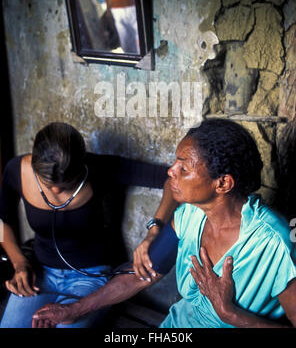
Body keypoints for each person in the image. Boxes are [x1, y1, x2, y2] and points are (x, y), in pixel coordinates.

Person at [32, 119, 296, 328]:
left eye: (184, 169)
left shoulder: (275, 243)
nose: (170, 171)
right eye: (174, 163)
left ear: (223, 183)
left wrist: (230, 314)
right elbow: (140, 276)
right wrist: (73, 309)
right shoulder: (190, 216)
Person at [0, 122, 176, 328]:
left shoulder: (98, 168)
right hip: (38, 275)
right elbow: (3, 221)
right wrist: (19, 263)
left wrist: (154, 229)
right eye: (48, 184)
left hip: (89, 278)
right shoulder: (16, 170)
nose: (56, 191)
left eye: (66, 185)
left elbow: (171, 178)